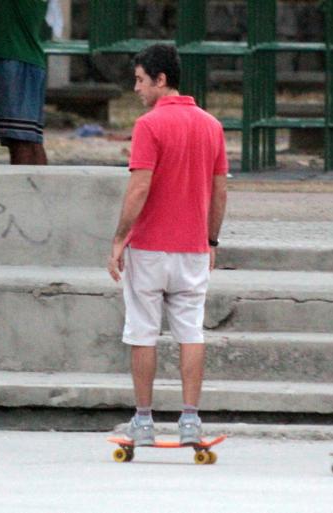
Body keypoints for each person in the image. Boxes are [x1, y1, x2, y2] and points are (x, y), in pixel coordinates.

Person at [108, 44, 228, 446]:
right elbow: (220, 190)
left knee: (142, 331)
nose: (137, 88)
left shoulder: (149, 125)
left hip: (149, 247)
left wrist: (120, 236)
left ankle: (143, 421)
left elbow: (139, 186)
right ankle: (190, 419)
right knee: (191, 332)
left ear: (161, 80)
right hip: (193, 247)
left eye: (141, 80)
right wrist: (211, 239)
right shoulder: (211, 125)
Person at [0, 0, 48, 165]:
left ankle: (25, 187)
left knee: (20, 139)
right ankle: (43, 188)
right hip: (24, 58)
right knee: (29, 139)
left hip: (17, 59)